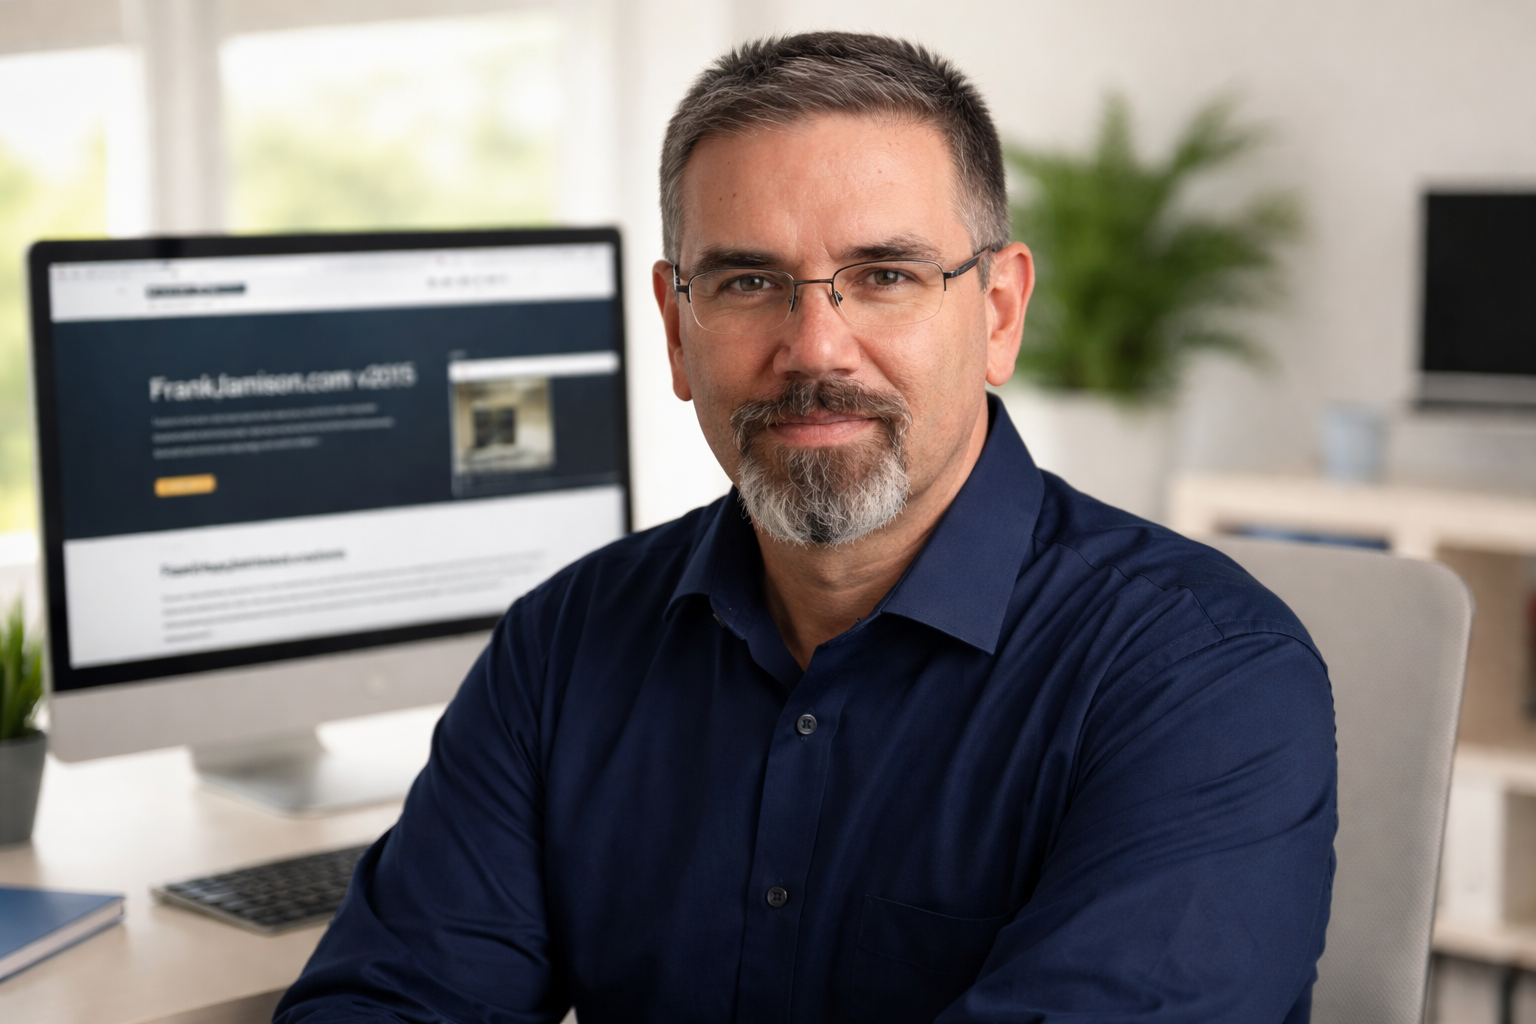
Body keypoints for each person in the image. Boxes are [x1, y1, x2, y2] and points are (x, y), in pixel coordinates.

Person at [276, 32, 1335, 1024]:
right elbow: (390, 1000)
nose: (816, 346)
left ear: (999, 312)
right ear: (676, 328)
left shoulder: (1206, 678)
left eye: (885, 275)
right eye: (748, 282)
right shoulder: (565, 644)